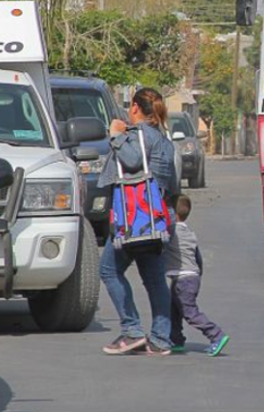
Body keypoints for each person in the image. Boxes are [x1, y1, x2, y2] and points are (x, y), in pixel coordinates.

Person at [98, 87, 178, 356]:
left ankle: (131, 331)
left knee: (109, 269)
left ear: (134, 108)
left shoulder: (136, 137)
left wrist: (116, 135)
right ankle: (161, 339)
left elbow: (132, 162)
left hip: (134, 220)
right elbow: (174, 184)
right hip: (158, 219)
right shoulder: (164, 141)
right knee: (154, 279)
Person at [165, 195, 229, 357]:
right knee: (174, 311)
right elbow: (197, 257)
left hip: (184, 279)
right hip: (190, 276)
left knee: (190, 313)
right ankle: (176, 340)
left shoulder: (172, 232)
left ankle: (216, 335)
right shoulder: (189, 232)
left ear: (173, 214)